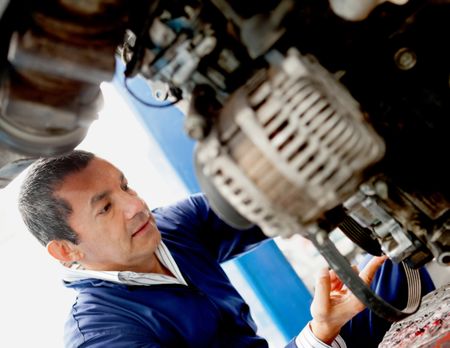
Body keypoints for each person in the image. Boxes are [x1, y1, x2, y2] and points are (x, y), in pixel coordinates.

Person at [18, 149, 418, 347]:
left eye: (125, 186)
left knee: (415, 262)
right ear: (65, 251)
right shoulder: (105, 335)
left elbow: (274, 194)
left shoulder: (170, 228)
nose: (136, 206)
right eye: (105, 208)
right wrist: (317, 335)